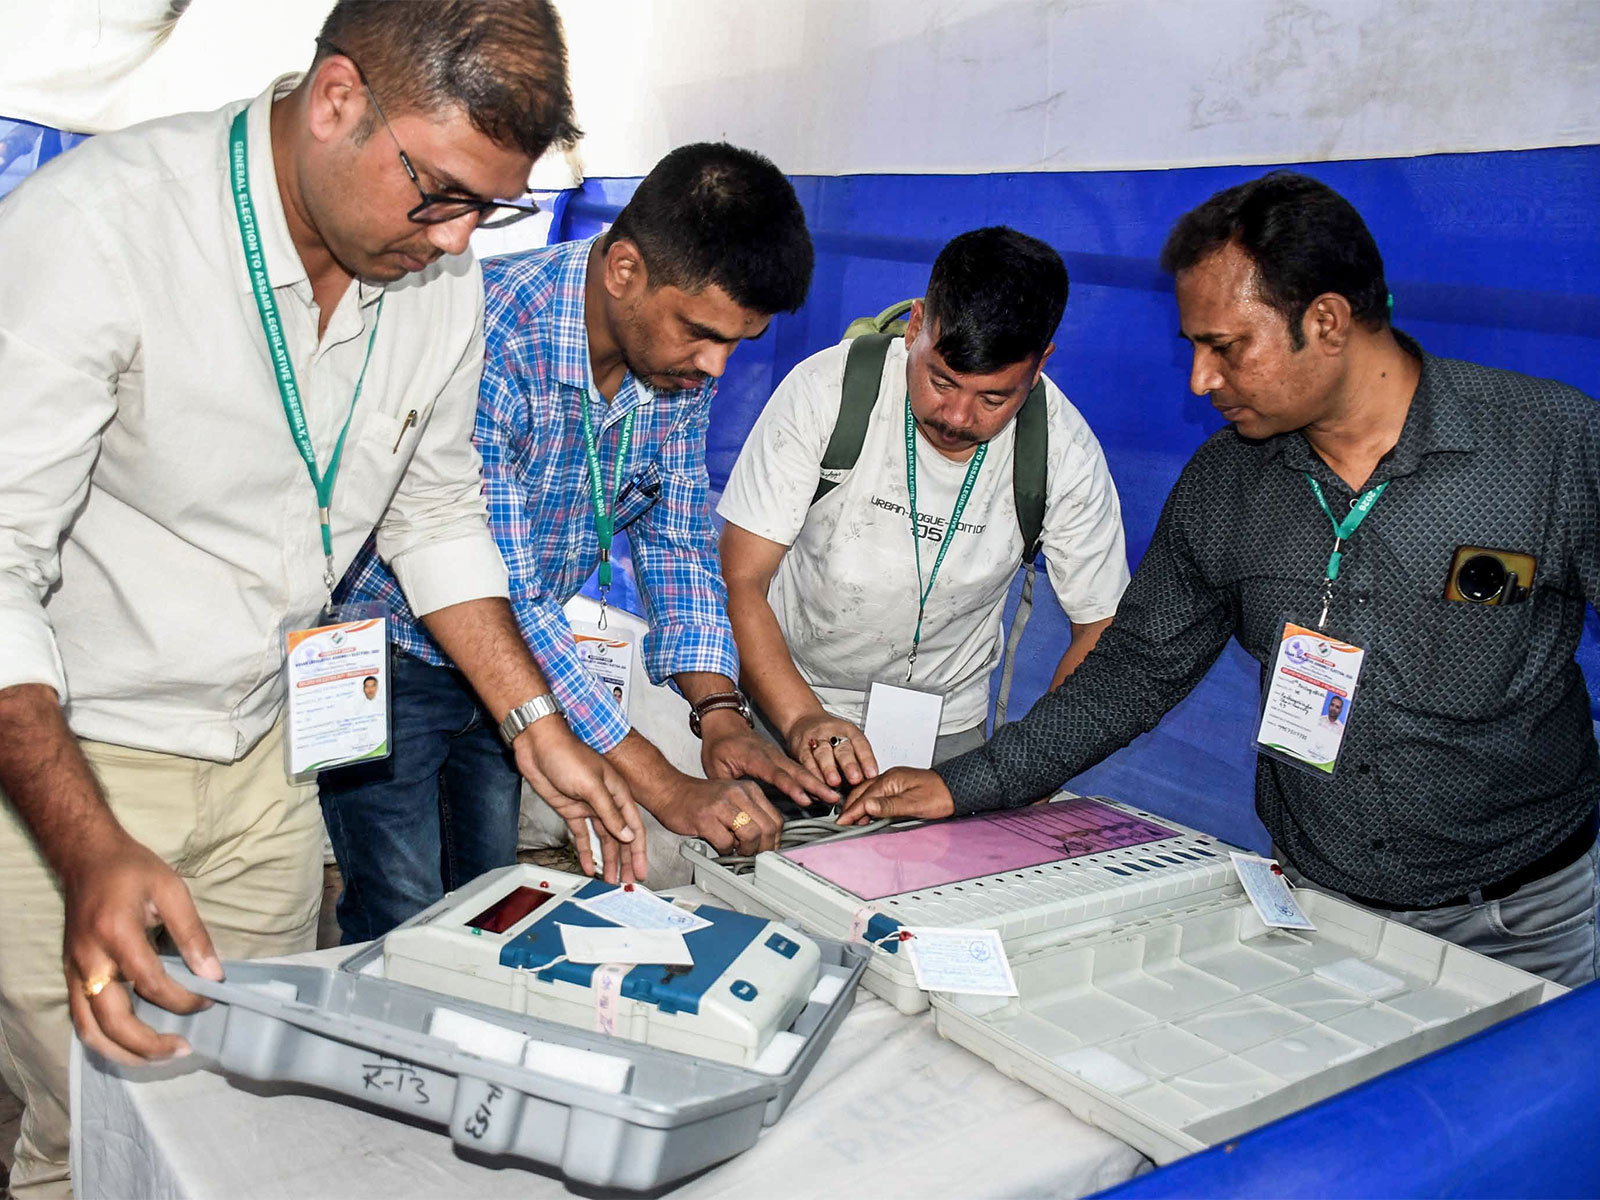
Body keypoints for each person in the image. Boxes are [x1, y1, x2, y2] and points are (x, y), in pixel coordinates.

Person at [0, 4, 649, 1194]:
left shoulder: (429, 266)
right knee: (90, 1118)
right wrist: (89, 846)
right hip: (72, 770)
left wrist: (535, 722)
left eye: (490, 209)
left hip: (266, 763)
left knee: (232, 1122)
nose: (459, 242)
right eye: (444, 192)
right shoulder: (96, 230)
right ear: (340, 99)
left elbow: (435, 512)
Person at [841, 172, 1600, 987]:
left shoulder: (1547, 450)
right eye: (1193, 348)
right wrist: (965, 786)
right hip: (1321, 914)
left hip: (1527, 924)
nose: (1200, 380)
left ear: (1327, 321)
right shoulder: (1225, 484)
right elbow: (1130, 674)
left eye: (1225, 347)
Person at [324, 142, 834, 941]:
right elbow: (506, 596)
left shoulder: (674, 369)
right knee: (402, 908)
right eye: (702, 333)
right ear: (624, 269)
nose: (716, 366)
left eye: (737, 343)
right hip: (392, 658)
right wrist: (664, 786)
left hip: (517, 679)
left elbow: (676, 542)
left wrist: (721, 714)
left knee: (492, 897)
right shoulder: (492, 337)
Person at [718, 227, 1129, 789]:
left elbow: (1100, 629)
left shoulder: (1065, 451)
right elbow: (740, 578)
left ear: (1039, 365)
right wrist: (802, 719)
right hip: (788, 699)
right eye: (941, 380)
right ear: (916, 326)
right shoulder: (825, 392)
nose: (958, 417)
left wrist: (1028, 770)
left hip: (947, 731)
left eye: (994, 398)